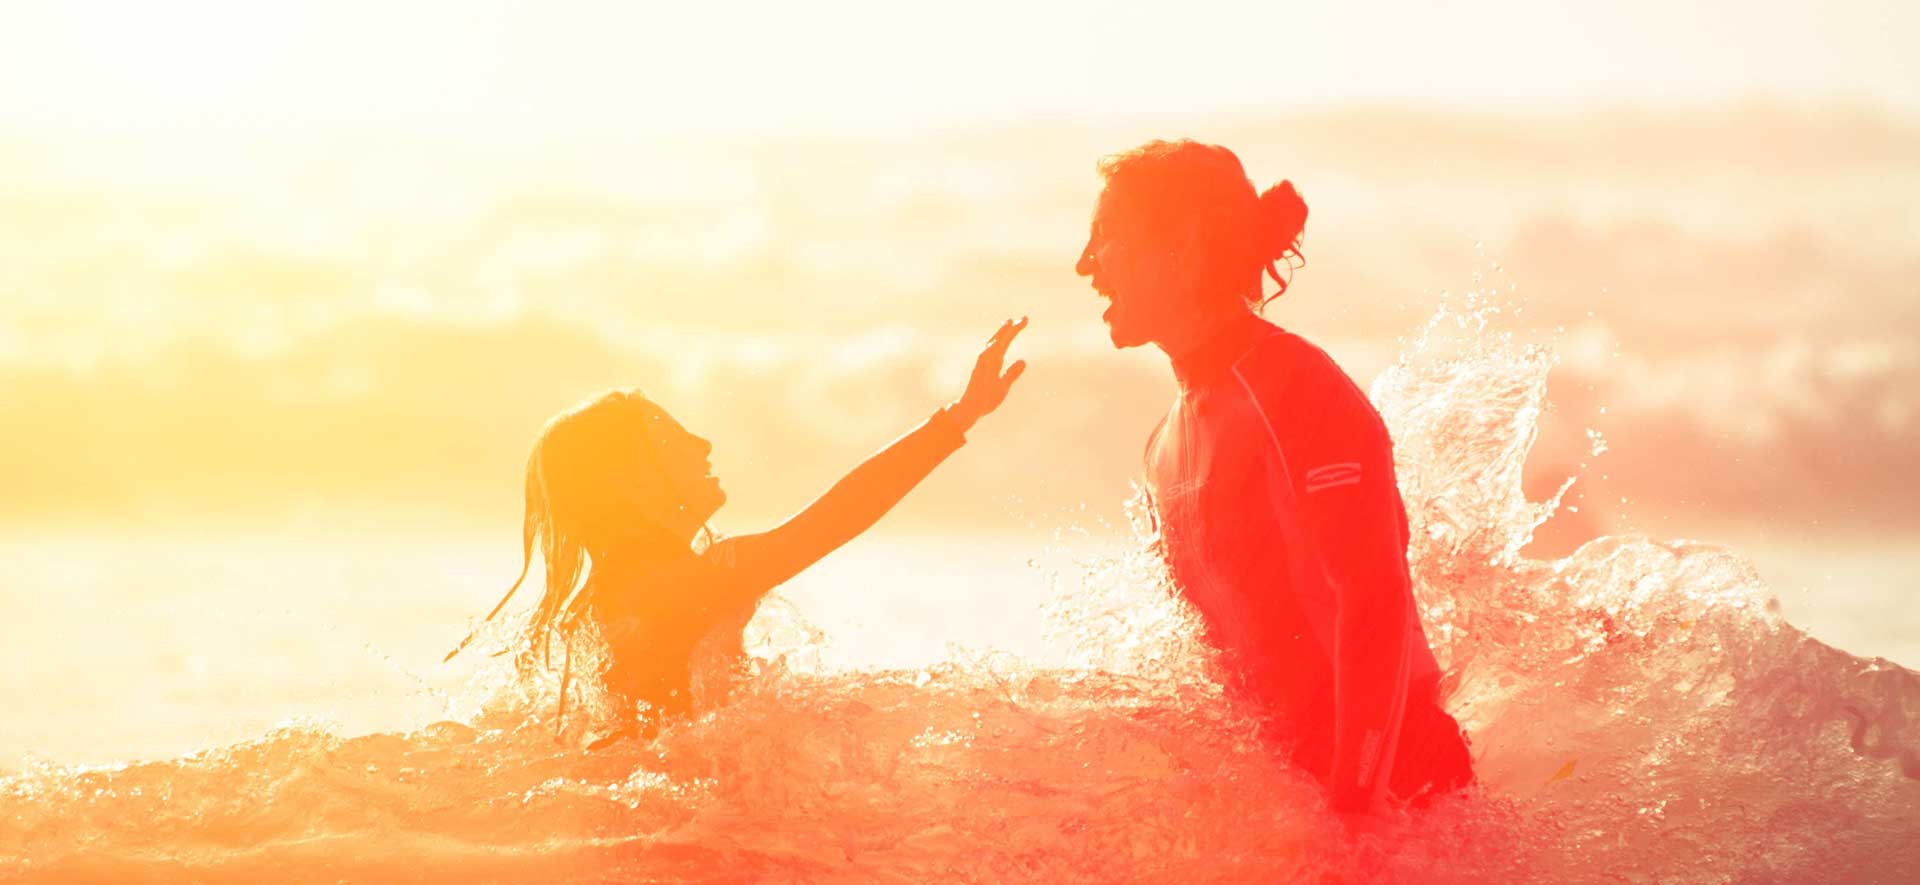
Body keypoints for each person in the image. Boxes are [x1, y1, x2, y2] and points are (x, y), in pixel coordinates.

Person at [1073, 140, 1472, 814]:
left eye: (1107, 236)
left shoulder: (1298, 391)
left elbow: (1372, 600)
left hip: (1403, 794)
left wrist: (1356, 820)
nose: (1086, 264)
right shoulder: (1162, 447)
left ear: (1185, 246)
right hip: (1301, 806)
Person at [447, 318, 1028, 745]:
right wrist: (958, 417)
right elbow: (835, 518)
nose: (702, 445)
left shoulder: (619, 590)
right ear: (627, 482)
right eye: (672, 440)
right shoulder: (685, 583)